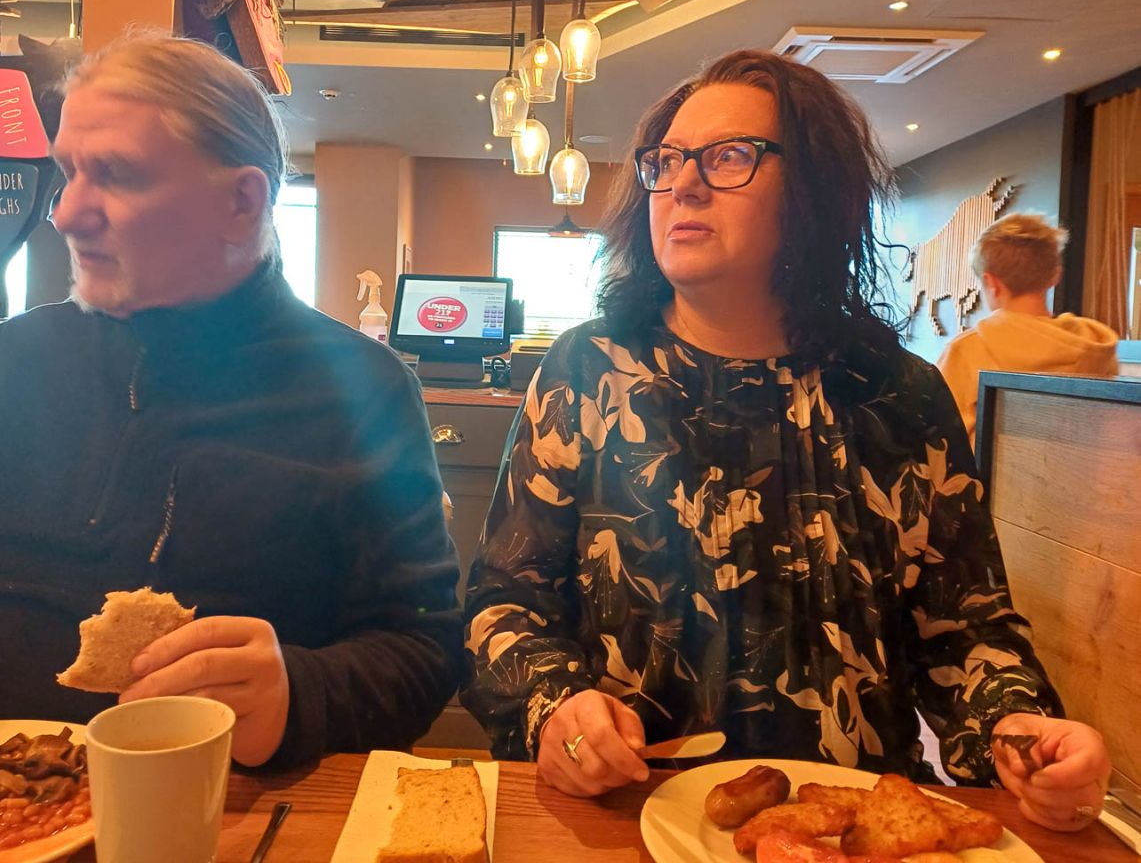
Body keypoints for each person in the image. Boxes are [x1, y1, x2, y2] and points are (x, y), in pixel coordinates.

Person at [461, 50, 1111, 830]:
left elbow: (966, 634)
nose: (683, 184)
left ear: (811, 191)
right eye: (665, 161)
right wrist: (556, 706)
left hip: (846, 828)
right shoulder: (585, 372)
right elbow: (504, 605)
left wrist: (1023, 735)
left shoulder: (897, 393)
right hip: (624, 819)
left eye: (727, 156)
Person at [0, 33, 462, 768]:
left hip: (223, 807)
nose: (65, 213)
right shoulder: (20, 356)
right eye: (68, 172)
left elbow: (423, 649)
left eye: (116, 175)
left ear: (240, 202)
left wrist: (297, 694)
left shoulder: (363, 390)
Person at [938, 213, 1119, 447]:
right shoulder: (1097, 350)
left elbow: (937, 443)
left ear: (991, 283)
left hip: (993, 472)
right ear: (1055, 275)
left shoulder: (966, 351)